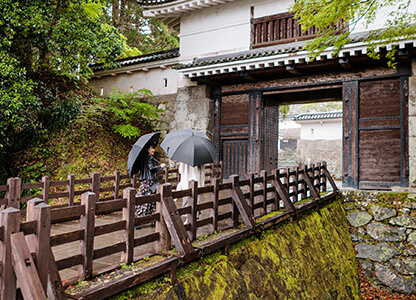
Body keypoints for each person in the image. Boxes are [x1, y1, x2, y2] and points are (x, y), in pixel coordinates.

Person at [135, 143, 166, 221]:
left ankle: (141, 217)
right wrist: (160, 166)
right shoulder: (150, 158)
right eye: (151, 148)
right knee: (148, 200)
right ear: (147, 150)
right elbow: (151, 168)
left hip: (145, 181)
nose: (153, 150)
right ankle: (140, 218)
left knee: (143, 199)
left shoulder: (143, 158)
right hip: (150, 182)